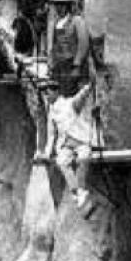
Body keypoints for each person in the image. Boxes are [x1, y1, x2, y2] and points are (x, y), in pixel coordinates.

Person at [41, 81, 99, 209]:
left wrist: (89, 85)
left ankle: (81, 190)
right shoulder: (51, 112)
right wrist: (47, 152)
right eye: (44, 94)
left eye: (48, 92)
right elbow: (51, 134)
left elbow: (82, 95)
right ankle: (77, 192)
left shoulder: (70, 104)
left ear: (56, 92)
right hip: (66, 144)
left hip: (81, 140)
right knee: (61, 162)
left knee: (84, 157)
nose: (46, 96)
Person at [47, 0, 92, 97]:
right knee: (59, 93)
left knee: (73, 94)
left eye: (62, 5)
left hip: (72, 64)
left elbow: (83, 43)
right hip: (60, 64)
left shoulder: (77, 21)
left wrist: (77, 64)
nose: (59, 8)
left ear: (67, 6)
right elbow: (54, 44)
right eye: (57, 5)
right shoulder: (56, 23)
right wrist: (51, 61)